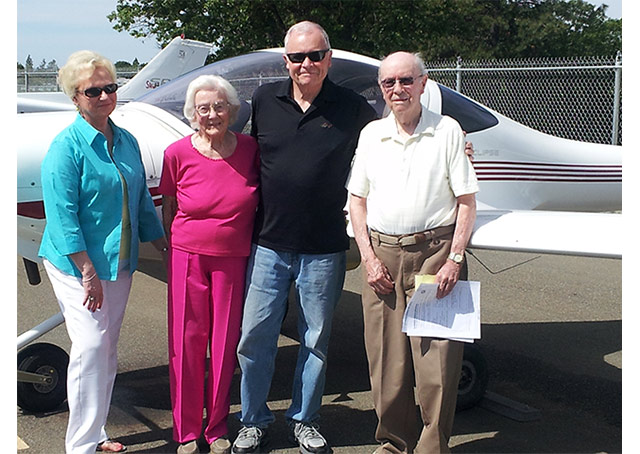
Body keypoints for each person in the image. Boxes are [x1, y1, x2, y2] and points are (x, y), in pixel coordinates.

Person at [232, 21, 378, 454]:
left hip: (324, 248)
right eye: (297, 57)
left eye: (315, 55)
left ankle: (305, 420)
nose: (306, 64)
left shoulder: (351, 107)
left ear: (328, 59)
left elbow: (390, 143)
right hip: (268, 245)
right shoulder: (264, 99)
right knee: (254, 337)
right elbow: (236, 148)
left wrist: (450, 140)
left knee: (316, 340)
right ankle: (252, 421)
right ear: (286, 61)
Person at [347, 51, 479, 454]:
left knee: (436, 365)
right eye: (389, 83)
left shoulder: (448, 131)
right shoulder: (371, 134)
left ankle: (432, 447)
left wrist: (455, 259)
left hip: (435, 255)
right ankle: (393, 444)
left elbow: (467, 202)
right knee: (387, 365)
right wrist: (368, 259)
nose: (397, 90)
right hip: (382, 257)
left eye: (406, 81)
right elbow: (357, 202)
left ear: (423, 83)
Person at [39, 50, 168, 454]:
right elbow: (62, 216)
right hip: (74, 262)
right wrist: (87, 272)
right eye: (92, 90)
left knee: (107, 347)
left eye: (109, 87)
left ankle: (96, 432)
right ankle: (79, 445)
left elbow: (142, 201)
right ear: (75, 98)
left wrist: (163, 244)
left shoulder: (126, 140)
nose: (103, 95)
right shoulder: (66, 147)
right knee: (92, 346)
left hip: (119, 259)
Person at [158, 75, 260, 454]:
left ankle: (216, 427)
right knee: (186, 343)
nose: (212, 114)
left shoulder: (251, 149)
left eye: (219, 106)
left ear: (232, 110)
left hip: (233, 258)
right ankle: (186, 431)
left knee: (224, 344)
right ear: (193, 113)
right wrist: (179, 246)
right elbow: (170, 206)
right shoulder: (176, 153)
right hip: (188, 256)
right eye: (204, 108)